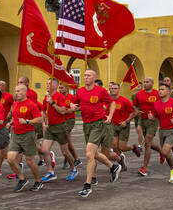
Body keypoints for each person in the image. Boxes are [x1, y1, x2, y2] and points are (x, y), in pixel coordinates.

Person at [77, 70, 122, 198]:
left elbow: (112, 102)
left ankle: (87, 185)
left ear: (94, 77)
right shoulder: (80, 91)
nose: (85, 77)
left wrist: (110, 116)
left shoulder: (100, 91)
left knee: (89, 154)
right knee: (94, 153)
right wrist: (73, 107)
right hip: (87, 125)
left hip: (98, 124)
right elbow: (76, 104)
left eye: (88, 75)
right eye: (84, 75)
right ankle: (113, 166)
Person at [6, 83, 45, 192]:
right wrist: (11, 123)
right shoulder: (15, 104)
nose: (16, 93)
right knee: (10, 159)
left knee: (30, 161)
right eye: (16, 91)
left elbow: (39, 119)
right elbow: (16, 117)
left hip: (28, 135)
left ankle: (38, 181)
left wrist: (27, 121)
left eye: (18, 91)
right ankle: (22, 179)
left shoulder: (31, 104)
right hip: (16, 135)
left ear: (24, 92)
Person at [41, 78, 80, 183]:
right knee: (44, 150)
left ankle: (74, 168)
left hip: (60, 127)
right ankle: (50, 172)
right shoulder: (46, 97)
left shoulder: (60, 96)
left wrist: (53, 103)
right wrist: (44, 122)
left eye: (49, 84)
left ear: (55, 85)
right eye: (47, 83)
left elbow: (63, 111)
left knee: (65, 152)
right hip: (50, 128)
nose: (47, 85)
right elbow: (43, 111)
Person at [133, 77, 163, 177]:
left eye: (147, 82)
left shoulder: (157, 94)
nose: (145, 84)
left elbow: (163, 106)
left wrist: (156, 115)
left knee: (147, 142)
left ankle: (144, 167)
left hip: (153, 121)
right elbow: (135, 106)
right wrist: (137, 111)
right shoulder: (139, 94)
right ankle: (162, 152)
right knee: (149, 143)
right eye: (144, 82)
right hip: (142, 120)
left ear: (152, 83)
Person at [108, 82, 137, 171]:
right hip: (112, 125)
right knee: (114, 146)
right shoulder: (108, 100)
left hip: (123, 126)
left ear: (119, 90)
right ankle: (121, 162)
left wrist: (126, 121)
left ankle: (133, 147)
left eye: (115, 88)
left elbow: (134, 112)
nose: (113, 90)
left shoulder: (124, 100)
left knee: (122, 147)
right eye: (112, 88)